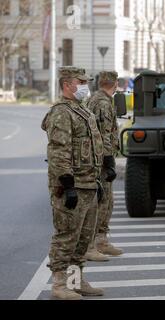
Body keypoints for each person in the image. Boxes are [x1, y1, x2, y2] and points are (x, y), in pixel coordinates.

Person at [41, 66, 104, 299]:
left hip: (88, 183)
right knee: (66, 235)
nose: (85, 86)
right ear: (68, 84)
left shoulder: (82, 110)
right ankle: (59, 285)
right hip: (72, 185)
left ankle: (75, 281)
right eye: (81, 82)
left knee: (83, 238)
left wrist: (99, 179)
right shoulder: (61, 112)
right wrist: (67, 186)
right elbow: (59, 151)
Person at [85, 71, 123, 260]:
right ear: (114, 83)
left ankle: (101, 241)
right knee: (102, 201)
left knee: (106, 200)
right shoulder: (102, 103)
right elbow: (104, 133)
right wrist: (108, 160)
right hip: (100, 160)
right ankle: (92, 244)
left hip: (97, 158)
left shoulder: (98, 99)